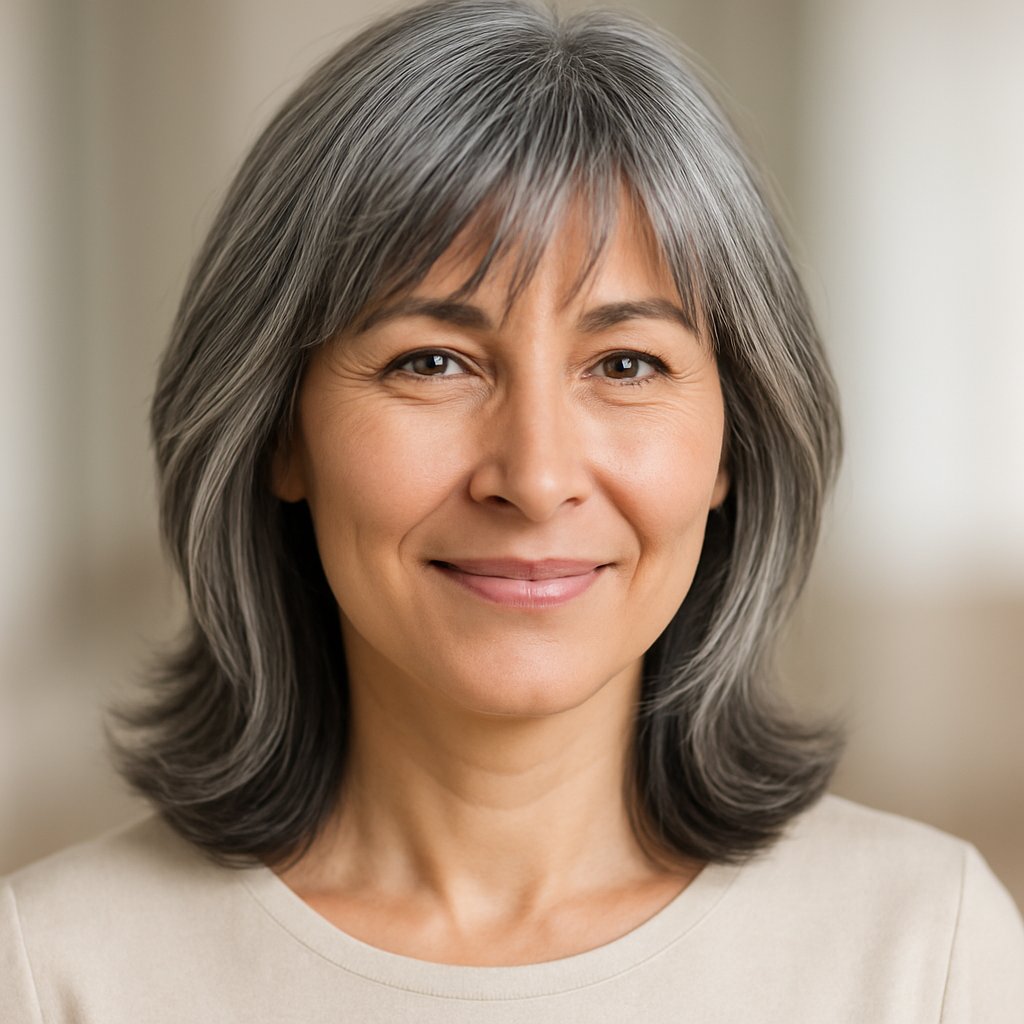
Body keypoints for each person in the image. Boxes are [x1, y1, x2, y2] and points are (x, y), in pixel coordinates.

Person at [2, 0, 1022, 1019]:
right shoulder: (54, 970)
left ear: (733, 444)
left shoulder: (923, 951)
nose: (534, 478)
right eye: (432, 361)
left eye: (626, 363)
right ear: (280, 431)